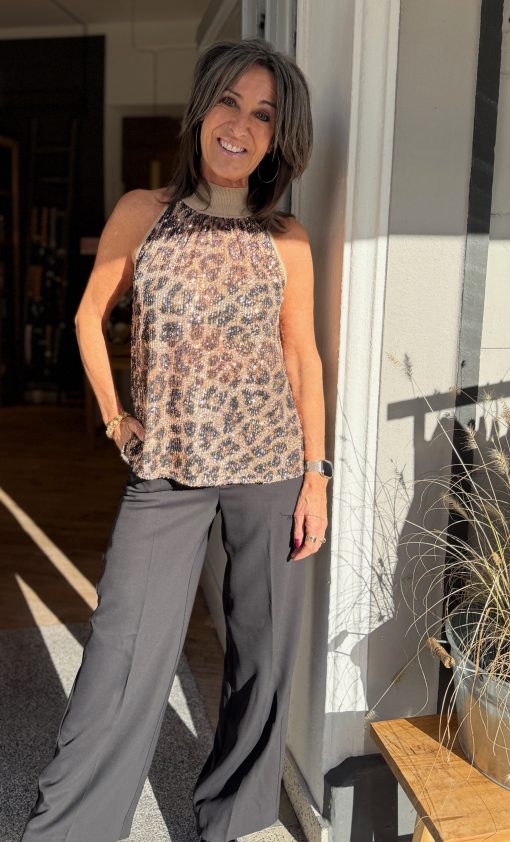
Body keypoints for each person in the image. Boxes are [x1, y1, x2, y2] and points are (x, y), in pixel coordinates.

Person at [20, 37, 332, 842]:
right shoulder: (143, 212)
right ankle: (71, 828)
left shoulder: (287, 238)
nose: (241, 125)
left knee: (264, 656)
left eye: (263, 114)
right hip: (167, 468)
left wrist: (317, 475)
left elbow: (302, 356)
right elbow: (88, 317)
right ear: (202, 109)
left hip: (270, 465)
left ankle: (232, 819)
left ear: (278, 136)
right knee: (120, 653)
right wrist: (114, 417)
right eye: (229, 102)